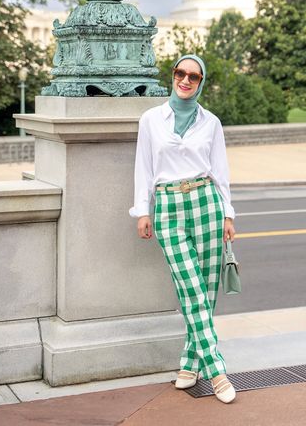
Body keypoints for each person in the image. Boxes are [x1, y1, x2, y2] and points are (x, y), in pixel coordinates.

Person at [129, 54, 237, 404]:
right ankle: (216, 369)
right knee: (189, 287)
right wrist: (142, 211)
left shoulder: (211, 123)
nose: (186, 80)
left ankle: (190, 363)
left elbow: (220, 171)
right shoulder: (151, 120)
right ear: (172, 76)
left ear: (201, 81)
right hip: (168, 208)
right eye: (180, 73)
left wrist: (228, 214)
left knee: (204, 292)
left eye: (193, 75)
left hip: (207, 204)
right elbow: (143, 167)